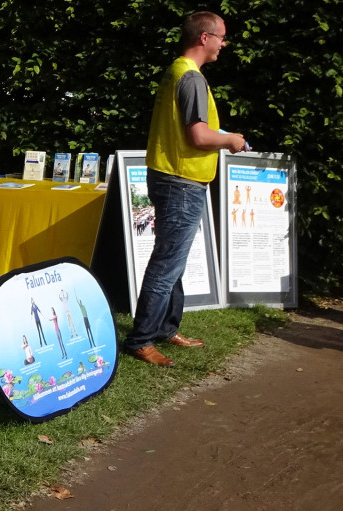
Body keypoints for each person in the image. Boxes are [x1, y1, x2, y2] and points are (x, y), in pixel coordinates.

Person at [123, 11, 248, 367]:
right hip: (181, 182)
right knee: (166, 264)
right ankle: (141, 340)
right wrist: (232, 140)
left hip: (172, 177)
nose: (225, 43)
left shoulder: (176, 71)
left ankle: (165, 328)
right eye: (222, 37)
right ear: (204, 38)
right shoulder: (191, 78)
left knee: (172, 261)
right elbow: (199, 135)